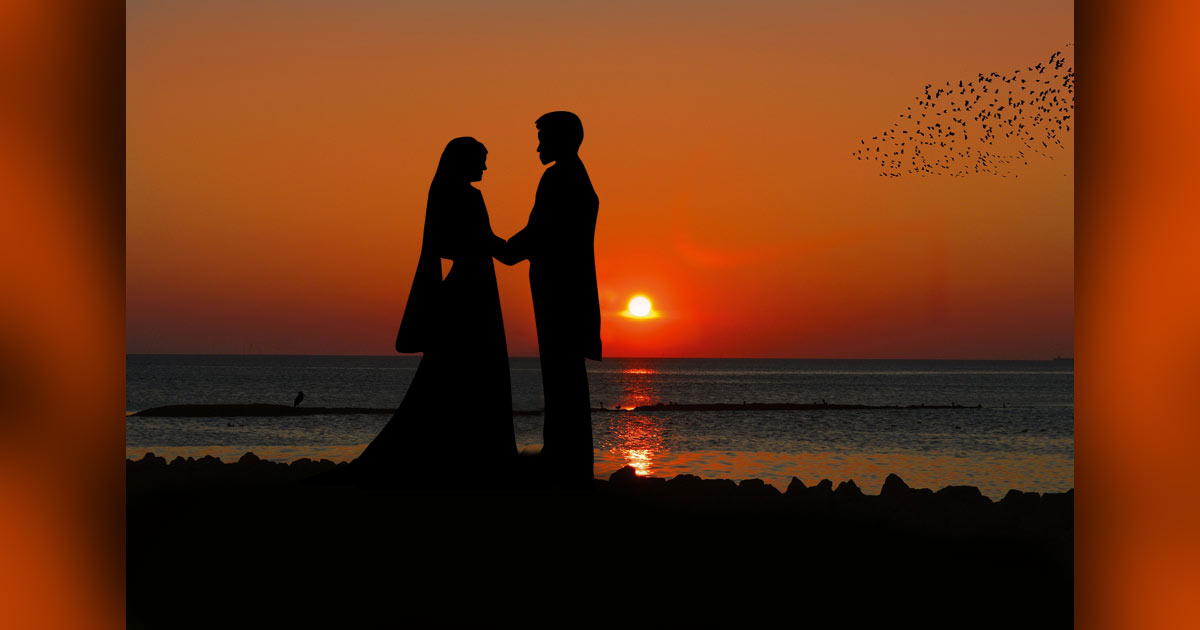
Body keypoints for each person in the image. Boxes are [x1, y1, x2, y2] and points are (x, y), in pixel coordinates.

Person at [353, 137, 516, 485]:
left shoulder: (448, 193)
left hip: (466, 285)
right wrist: (517, 248)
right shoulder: (468, 196)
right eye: (482, 161)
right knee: (471, 366)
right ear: (465, 161)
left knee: (450, 369)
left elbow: (459, 242)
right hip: (472, 290)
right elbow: (482, 241)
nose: (486, 168)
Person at [497, 112, 601, 488]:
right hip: (565, 289)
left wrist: (501, 247)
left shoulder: (560, 177)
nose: (538, 146)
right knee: (563, 375)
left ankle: (563, 460)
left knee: (561, 374)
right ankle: (566, 456)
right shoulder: (574, 175)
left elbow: (540, 231)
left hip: (559, 291)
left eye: (543, 138)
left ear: (561, 139)